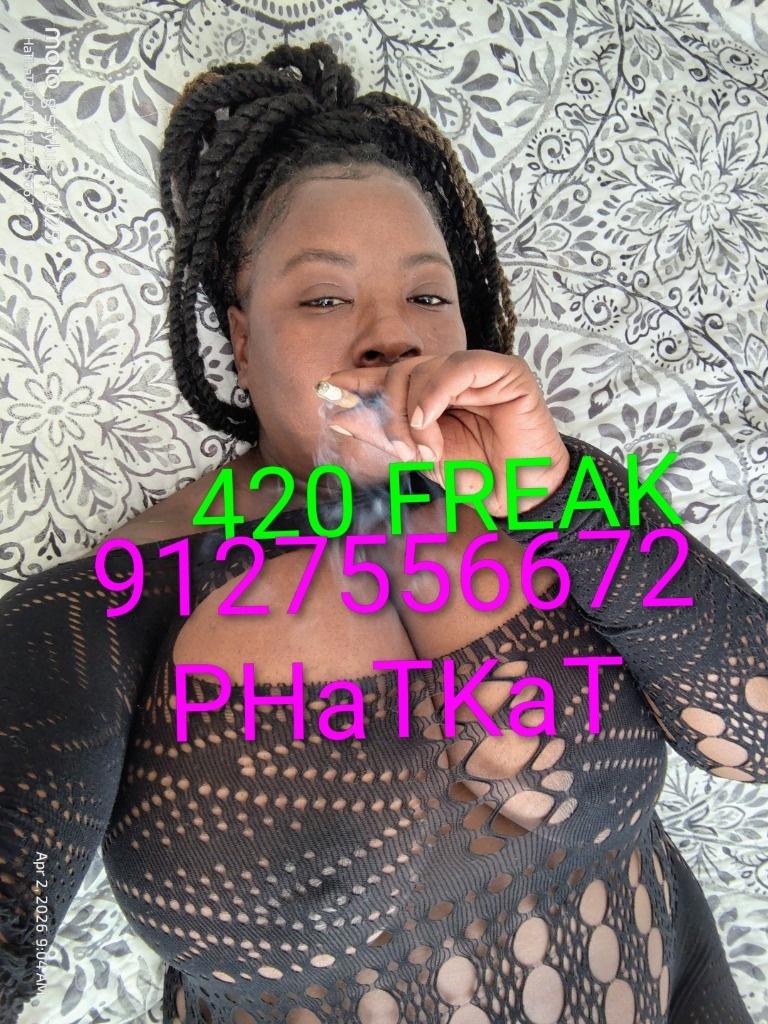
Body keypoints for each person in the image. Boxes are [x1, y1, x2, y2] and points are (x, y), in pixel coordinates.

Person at [1, 40, 766, 1024]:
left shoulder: (563, 502)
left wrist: (563, 498)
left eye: (428, 296)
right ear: (242, 338)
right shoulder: (114, 603)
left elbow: (755, 741)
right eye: (323, 297)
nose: (392, 334)